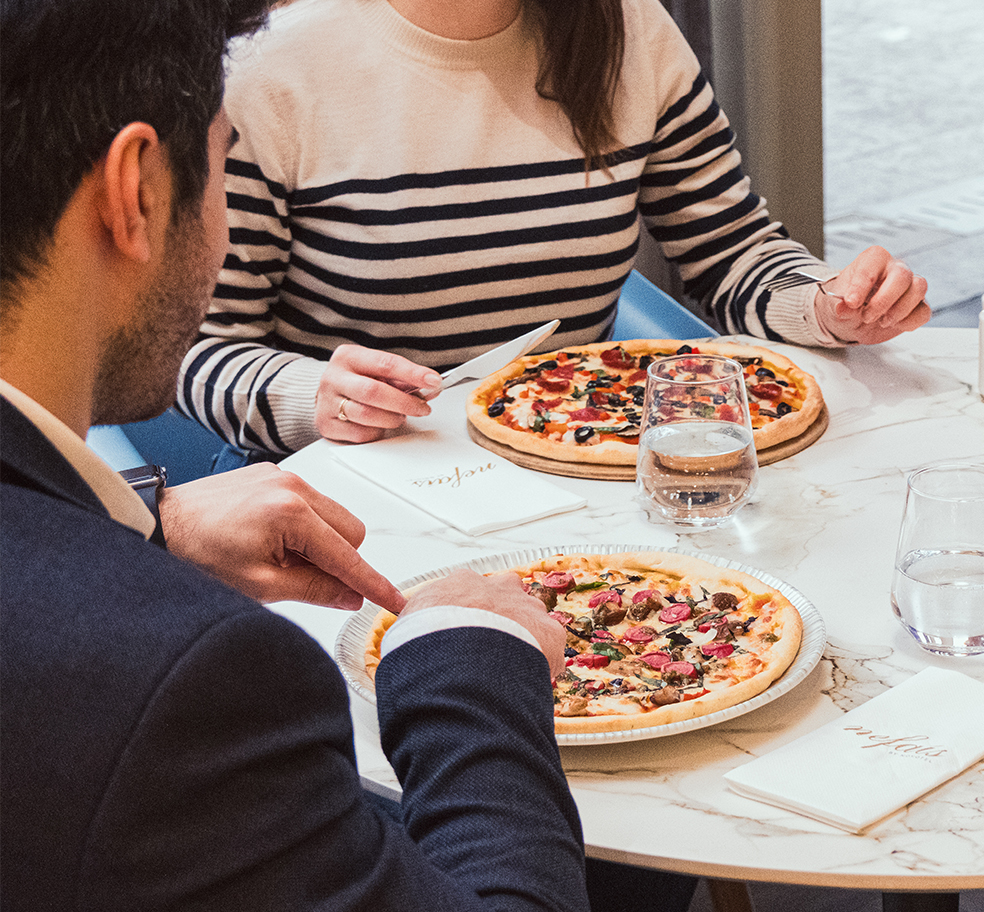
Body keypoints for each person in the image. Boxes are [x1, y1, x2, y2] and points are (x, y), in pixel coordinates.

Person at [0, 1, 598, 907]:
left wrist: (149, 531)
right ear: (138, 192)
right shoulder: (186, 680)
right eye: (221, 163)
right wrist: (467, 656)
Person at [181, 0, 932, 460]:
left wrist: (827, 305)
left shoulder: (630, 29)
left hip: (583, 463)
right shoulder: (271, 72)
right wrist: (312, 395)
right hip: (357, 481)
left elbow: (731, 255)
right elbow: (199, 348)